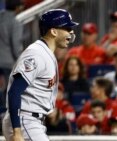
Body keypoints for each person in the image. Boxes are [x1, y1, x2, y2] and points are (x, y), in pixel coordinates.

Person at [2, 9, 78, 141]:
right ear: (53, 31)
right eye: (67, 28)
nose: (71, 32)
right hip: (25, 120)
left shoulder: (46, 53)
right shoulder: (36, 54)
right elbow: (14, 91)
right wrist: (17, 131)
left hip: (32, 120)